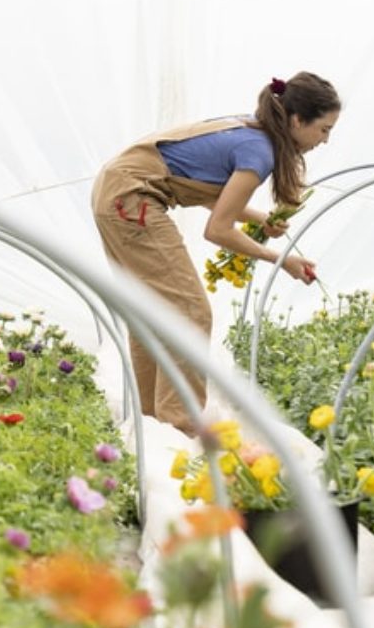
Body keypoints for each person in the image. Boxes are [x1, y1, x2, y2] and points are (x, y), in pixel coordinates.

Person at [90, 72, 340, 435]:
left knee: (150, 312)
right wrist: (281, 260)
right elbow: (218, 230)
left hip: (117, 191)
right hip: (132, 199)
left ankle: (149, 430)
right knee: (191, 312)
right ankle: (180, 427)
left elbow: (209, 194)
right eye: (324, 129)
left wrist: (259, 218)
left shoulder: (250, 129)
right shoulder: (260, 150)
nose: (326, 140)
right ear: (298, 120)